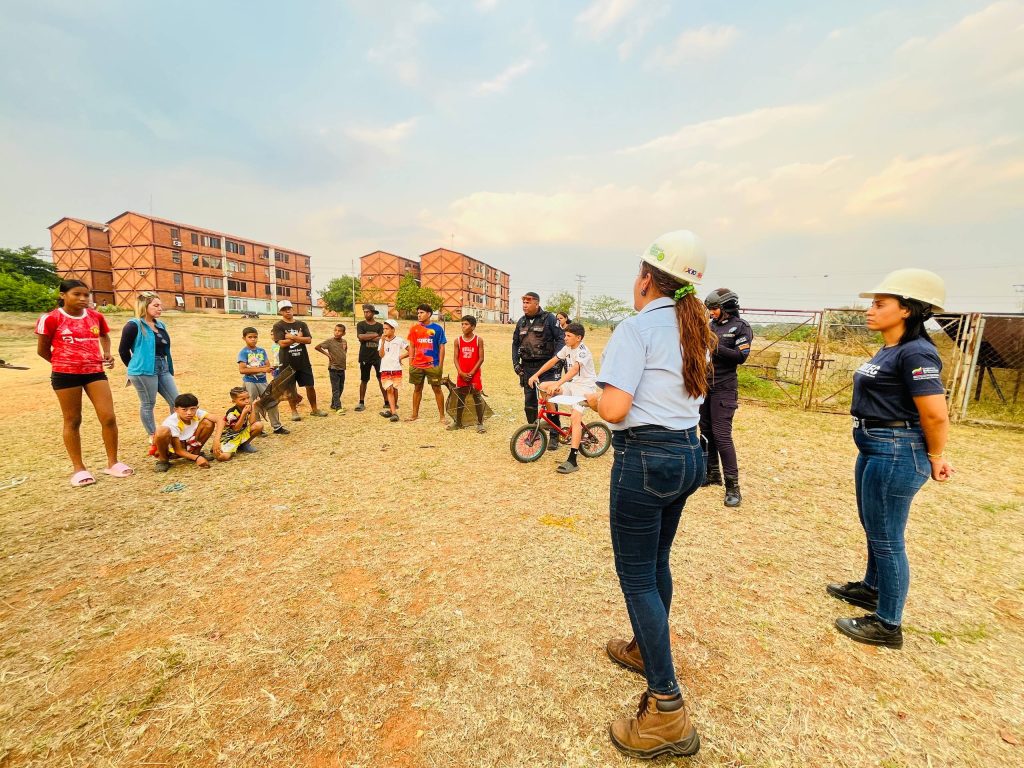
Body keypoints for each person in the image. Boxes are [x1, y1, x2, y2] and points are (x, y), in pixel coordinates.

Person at [583, 230, 717, 759]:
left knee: (637, 576)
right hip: (687, 453)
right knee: (657, 562)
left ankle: (666, 709)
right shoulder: (693, 326)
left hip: (646, 458)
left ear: (646, 279)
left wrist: (587, 398)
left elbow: (615, 409)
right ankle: (645, 647)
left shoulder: (636, 328)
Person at [828, 269, 955, 650]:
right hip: (874, 445)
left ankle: (888, 624)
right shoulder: (891, 348)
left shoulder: (917, 352)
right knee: (874, 524)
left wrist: (936, 456)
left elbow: (935, 414)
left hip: (896, 449)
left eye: (880, 304)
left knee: (887, 537)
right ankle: (872, 589)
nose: (870, 310)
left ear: (906, 310)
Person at [35, 279, 134, 486]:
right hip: (65, 375)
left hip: (95, 372)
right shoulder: (51, 318)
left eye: (86, 295)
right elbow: (42, 349)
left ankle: (113, 462)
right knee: (73, 420)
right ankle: (79, 469)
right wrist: (62, 363)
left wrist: (107, 353)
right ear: (62, 295)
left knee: (108, 417)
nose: (82, 298)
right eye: (77, 294)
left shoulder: (95, 316)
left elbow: (104, 335)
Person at [699, 288, 752, 507]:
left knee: (722, 436)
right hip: (706, 387)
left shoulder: (741, 327)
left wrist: (714, 345)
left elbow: (741, 356)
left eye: (714, 308)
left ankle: (733, 487)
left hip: (725, 389)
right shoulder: (711, 326)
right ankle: (712, 474)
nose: (711, 312)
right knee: (706, 432)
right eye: (709, 309)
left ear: (727, 307)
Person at [528, 322, 598, 473]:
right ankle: (553, 420)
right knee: (544, 386)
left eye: (568, 336)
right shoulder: (567, 348)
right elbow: (553, 361)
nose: (565, 338)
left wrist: (558, 384)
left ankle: (573, 460)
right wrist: (536, 375)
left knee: (575, 418)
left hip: (585, 388)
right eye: (565, 335)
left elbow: (574, 370)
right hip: (573, 385)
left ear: (578, 338)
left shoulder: (583, 351)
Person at [119, 291, 179, 448]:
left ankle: (176, 433)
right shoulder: (133, 325)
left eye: (160, 305)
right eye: (156, 305)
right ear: (144, 306)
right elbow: (123, 350)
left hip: (162, 367)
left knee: (176, 401)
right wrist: (135, 367)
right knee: (148, 403)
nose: (160, 308)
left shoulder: (160, 325)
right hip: (143, 370)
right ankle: (154, 436)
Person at [512, 292, 565, 448]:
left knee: (550, 401)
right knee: (529, 403)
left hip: (546, 367)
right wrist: (515, 363)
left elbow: (560, 339)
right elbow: (515, 343)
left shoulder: (549, 318)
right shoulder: (521, 321)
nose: (524, 305)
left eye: (528, 303)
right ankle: (534, 432)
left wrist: (556, 359)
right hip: (527, 367)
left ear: (537, 304)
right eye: (523, 303)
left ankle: (554, 435)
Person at [271, 300, 327, 418]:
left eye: (289, 308)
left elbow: (308, 340)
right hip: (287, 362)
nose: (287, 311)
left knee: (310, 385)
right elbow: (282, 344)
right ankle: (294, 412)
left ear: (292, 309)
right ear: (280, 312)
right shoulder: (278, 326)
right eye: (284, 309)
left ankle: (314, 409)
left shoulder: (301, 324)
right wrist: (299, 337)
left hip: (303, 361)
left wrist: (291, 337)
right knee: (290, 388)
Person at [237, 327, 288, 435]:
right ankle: (257, 428)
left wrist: (267, 368)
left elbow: (267, 365)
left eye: (255, 337)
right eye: (250, 337)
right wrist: (262, 369)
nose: (253, 339)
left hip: (262, 381)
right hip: (250, 382)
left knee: (272, 402)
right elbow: (242, 370)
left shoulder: (261, 350)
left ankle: (277, 427)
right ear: (244, 338)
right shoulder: (243, 352)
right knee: (253, 404)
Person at [153, 393, 218, 471]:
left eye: (192, 409)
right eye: (184, 409)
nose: (189, 413)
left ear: (197, 408)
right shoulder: (171, 422)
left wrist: (216, 441)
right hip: (173, 451)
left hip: (187, 444)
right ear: (176, 410)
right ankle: (163, 460)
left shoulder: (197, 412)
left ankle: (195, 453)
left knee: (208, 423)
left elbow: (220, 419)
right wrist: (197, 458)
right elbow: (178, 450)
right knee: (161, 431)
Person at [407, 304, 447, 423]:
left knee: (437, 389)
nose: (419, 315)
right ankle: (414, 415)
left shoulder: (438, 329)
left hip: (433, 365)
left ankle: (442, 417)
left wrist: (440, 365)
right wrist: (411, 362)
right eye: (418, 313)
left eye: (421, 312)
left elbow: (442, 347)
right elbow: (412, 346)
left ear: (429, 314)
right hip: (417, 365)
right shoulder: (414, 329)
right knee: (417, 389)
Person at [449, 315, 487, 433]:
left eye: (466, 324)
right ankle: (458, 422)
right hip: (462, 374)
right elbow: (455, 358)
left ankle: (480, 423)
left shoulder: (478, 340)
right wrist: (460, 372)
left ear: (473, 327)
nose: (463, 326)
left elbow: (481, 358)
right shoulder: (458, 341)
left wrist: (472, 372)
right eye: (462, 324)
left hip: (474, 374)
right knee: (461, 398)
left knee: (477, 397)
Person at [212, 387, 263, 461]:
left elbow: (252, 422)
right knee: (222, 457)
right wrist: (243, 414)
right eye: (243, 399)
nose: (247, 401)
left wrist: (253, 406)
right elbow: (236, 429)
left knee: (258, 425)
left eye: (248, 398)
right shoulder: (232, 413)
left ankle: (244, 444)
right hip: (230, 437)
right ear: (234, 401)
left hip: (241, 433)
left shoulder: (247, 407)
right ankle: (231, 448)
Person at [355, 304, 388, 414]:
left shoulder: (380, 326)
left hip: (378, 356)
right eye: (364, 312)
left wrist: (367, 337)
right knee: (364, 380)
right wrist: (375, 335)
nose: (366, 314)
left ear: (373, 313)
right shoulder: (361, 324)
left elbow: (381, 339)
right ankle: (361, 402)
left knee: (381, 379)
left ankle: (387, 401)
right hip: (365, 356)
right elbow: (360, 337)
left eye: (368, 312)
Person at [378, 319, 410, 423]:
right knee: (389, 389)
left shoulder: (399, 340)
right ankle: (394, 413)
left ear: (393, 329)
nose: (384, 331)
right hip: (385, 368)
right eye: (384, 329)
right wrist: (383, 342)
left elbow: (410, 350)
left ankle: (392, 410)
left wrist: (401, 357)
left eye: (387, 329)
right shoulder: (381, 341)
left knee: (395, 389)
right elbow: (381, 355)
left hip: (396, 369)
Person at [315, 323, 348, 412]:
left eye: (339, 331)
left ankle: (333, 405)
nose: (337, 332)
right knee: (335, 389)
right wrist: (327, 354)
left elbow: (344, 351)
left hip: (342, 368)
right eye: (335, 330)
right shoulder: (330, 341)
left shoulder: (344, 341)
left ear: (344, 333)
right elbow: (317, 347)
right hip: (333, 368)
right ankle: (338, 407)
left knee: (341, 388)